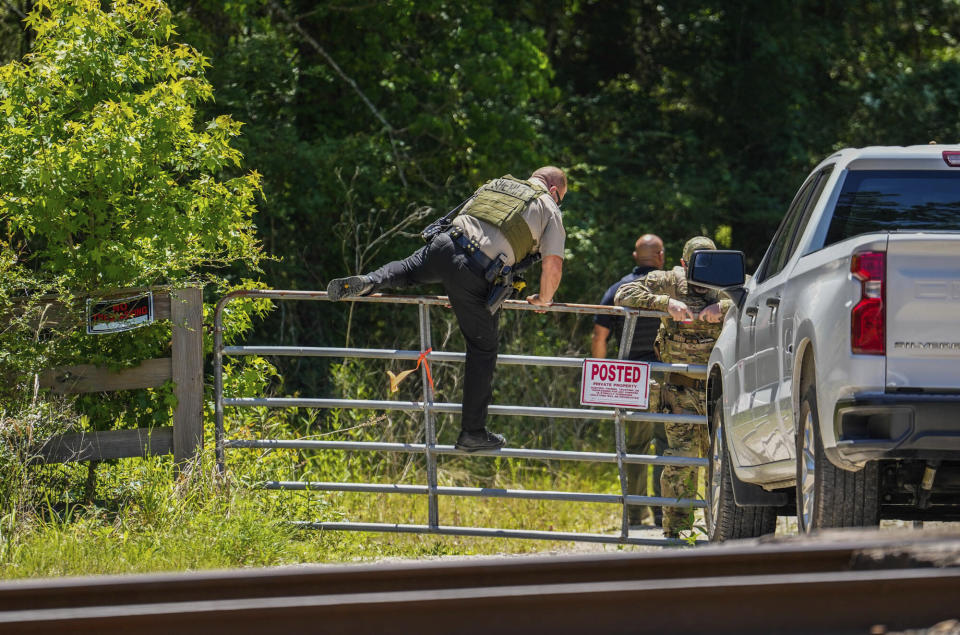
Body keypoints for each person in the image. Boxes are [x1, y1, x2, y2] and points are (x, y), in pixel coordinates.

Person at [326, 167, 567, 452]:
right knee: (483, 349)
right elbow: (553, 264)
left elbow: (471, 219)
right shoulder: (548, 206)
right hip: (475, 268)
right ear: (554, 190)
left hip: (445, 243)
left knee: (404, 270)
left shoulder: (498, 183)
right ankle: (473, 433)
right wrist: (544, 299)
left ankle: (369, 281)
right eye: (561, 197)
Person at [614, 236, 730, 538]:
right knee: (681, 461)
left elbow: (765, 298)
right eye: (696, 266)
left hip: (723, 392)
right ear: (683, 264)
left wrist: (725, 306)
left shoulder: (731, 282)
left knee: (725, 464)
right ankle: (677, 534)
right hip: (681, 391)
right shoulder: (667, 281)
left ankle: (721, 532)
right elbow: (623, 293)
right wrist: (667, 303)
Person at [592, 234, 668, 527]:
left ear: (636, 257)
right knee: (667, 443)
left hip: (630, 375)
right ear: (660, 256)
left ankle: (636, 514)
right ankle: (664, 511)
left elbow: (600, 337)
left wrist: (601, 382)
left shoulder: (618, 288)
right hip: (666, 371)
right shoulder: (671, 288)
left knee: (635, 447)